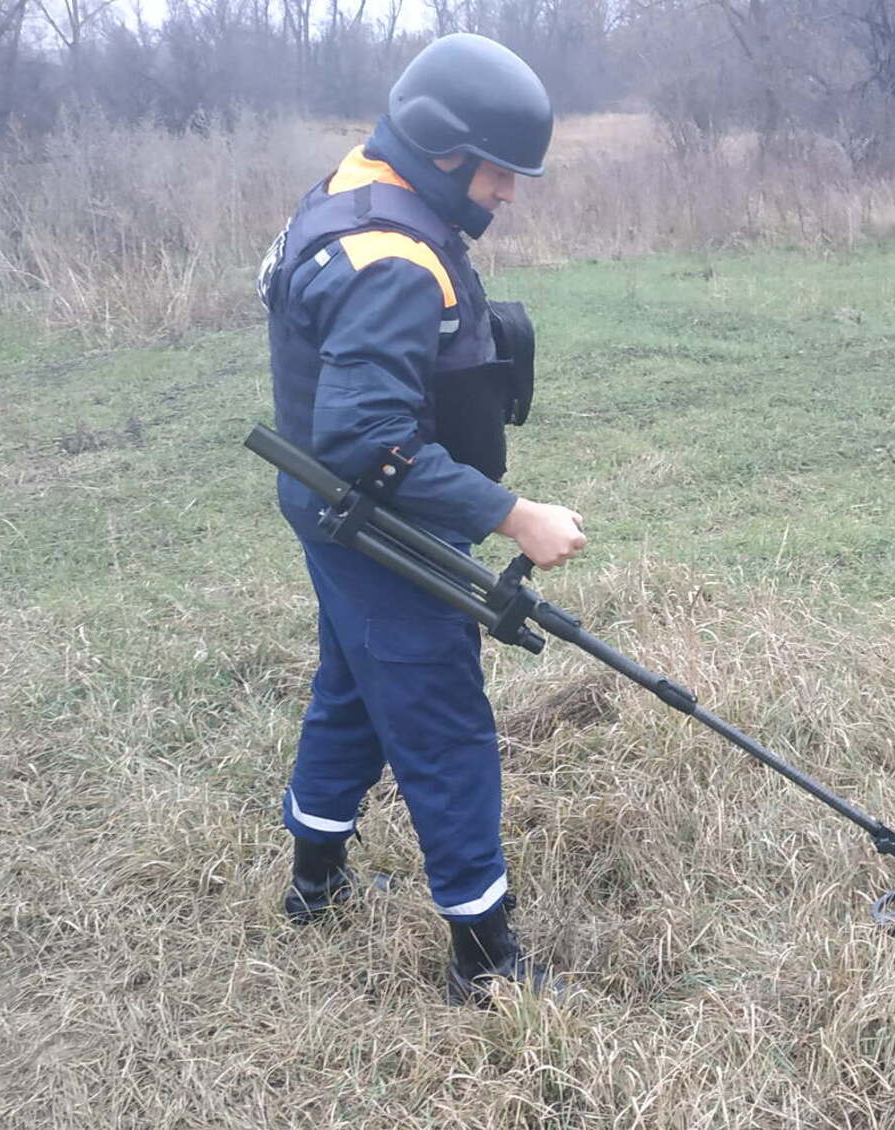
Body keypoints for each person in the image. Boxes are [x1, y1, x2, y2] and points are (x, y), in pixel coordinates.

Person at [256, 32, 587, 1007]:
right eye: (501, 171)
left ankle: (315, 884)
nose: (509, 193)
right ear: (447, 149)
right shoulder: (392, 258)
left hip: (330, 512)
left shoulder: (351, 186)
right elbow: (366, 436)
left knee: (352, 689)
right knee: (442, 723)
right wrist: (512, 514)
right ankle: (484, 962)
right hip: (376, 522)